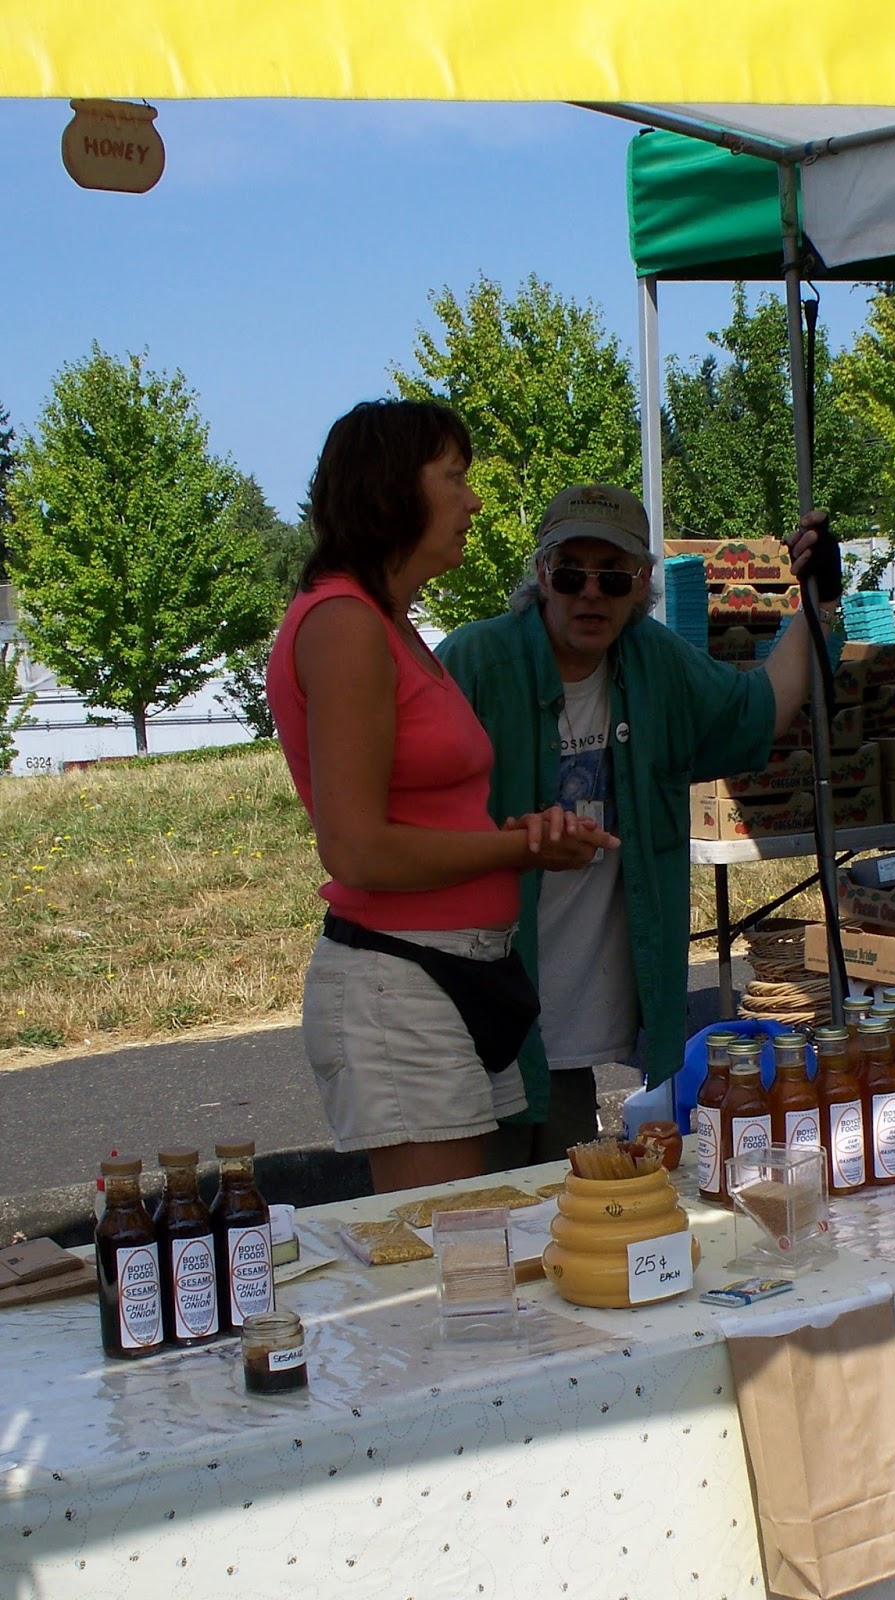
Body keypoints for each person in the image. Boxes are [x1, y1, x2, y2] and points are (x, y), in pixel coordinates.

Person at [265, 401, 614, 1194]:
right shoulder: (345, 625)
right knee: (450, 1265)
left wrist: (511, 834)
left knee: (472, 1254)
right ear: (391, 489)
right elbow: (356, 848)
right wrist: (520, 845)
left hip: (451, 976)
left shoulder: (388, 624)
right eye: (454, 477)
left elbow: (420, 814)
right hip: (399, 985)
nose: (473, 502)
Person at [437, 482, 826, 1167]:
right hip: (471, 1011)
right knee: (471, 1218)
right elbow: (410, 806)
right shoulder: (473, 661)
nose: (591, 593)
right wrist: (507, 842)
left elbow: (758, 711)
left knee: (557, 1212)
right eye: (571, 574)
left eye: (613, 577)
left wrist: (816, 603)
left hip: (568, 1024)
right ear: (540, 576)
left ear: (642, 582)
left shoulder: (655, 662)